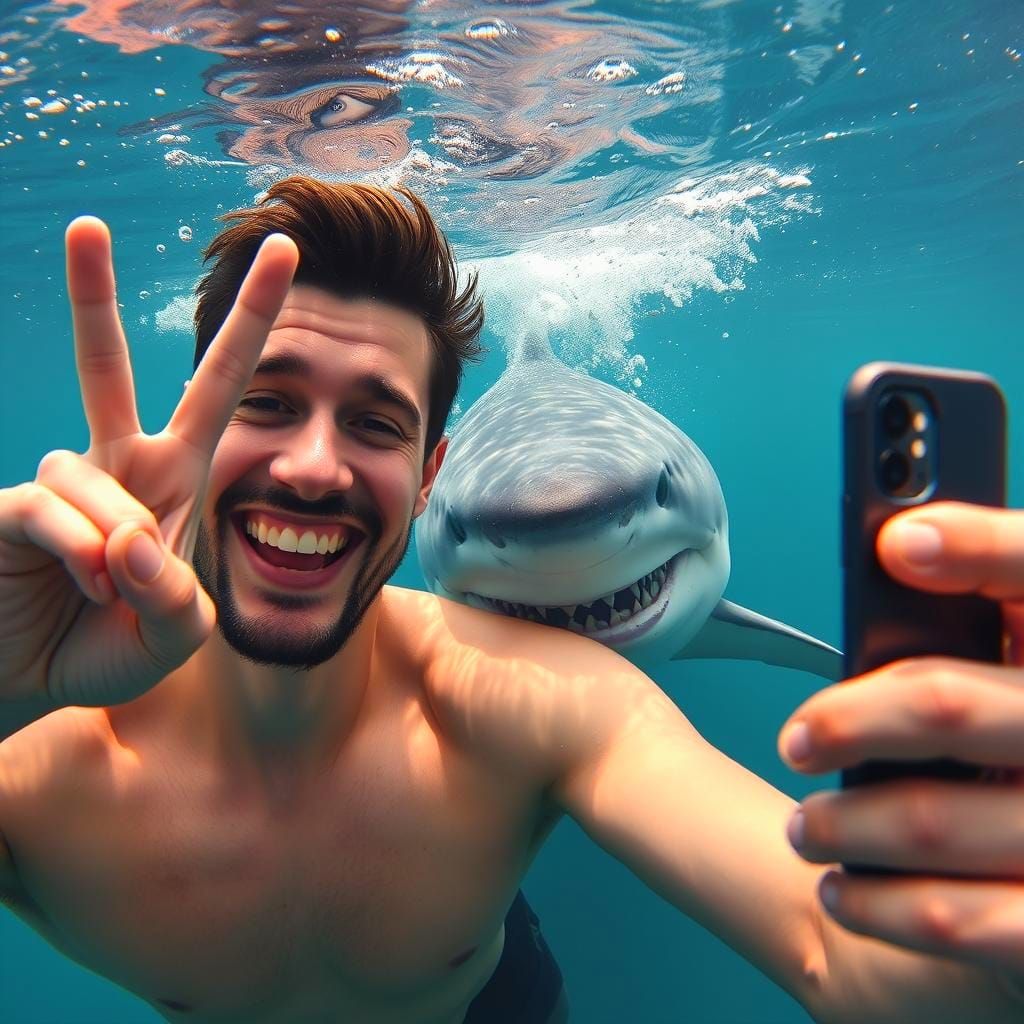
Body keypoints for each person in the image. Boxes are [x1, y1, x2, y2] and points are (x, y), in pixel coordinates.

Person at [0, 176, 1021, 1024]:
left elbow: (842, 953)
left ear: (431, 470)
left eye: (374, 422)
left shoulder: (528, 695)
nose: (313, 468)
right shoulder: (31, 760)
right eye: (265, 403)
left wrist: (988, 926)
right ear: (200, 419)